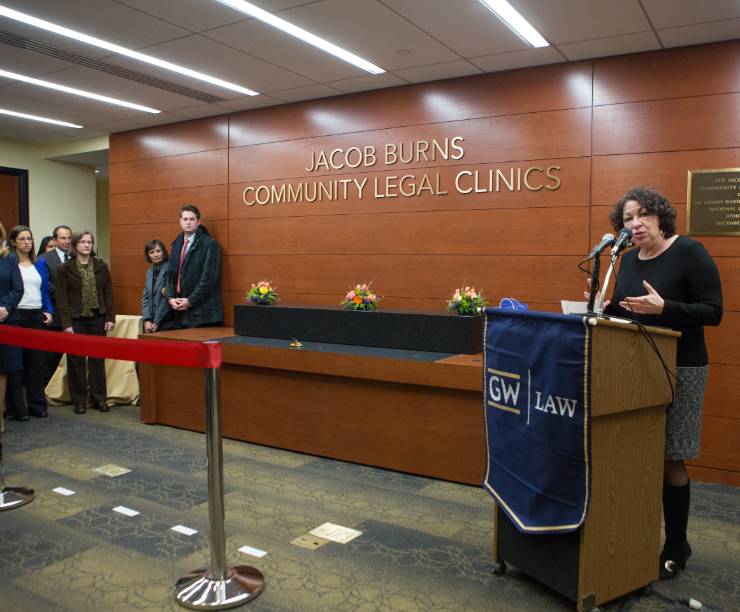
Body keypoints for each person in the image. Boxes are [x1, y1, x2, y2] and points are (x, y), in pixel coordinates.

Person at [602, 186, 723, 580]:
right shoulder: (628, 260)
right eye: (626, 220)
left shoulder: (689, 252)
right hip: (635, 368)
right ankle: (634, 537)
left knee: (671, 456)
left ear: (659, 215)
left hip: (682, 368)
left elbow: (714, 312)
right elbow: (627, 309)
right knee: (637, 452)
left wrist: (665, 307)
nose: (634, 225)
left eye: (641, 215)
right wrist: (610, 311)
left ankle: (676, 543)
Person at [55, 230, 115, 414]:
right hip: (75, 319)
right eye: (82, 242)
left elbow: (108, 293)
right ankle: (79, 400)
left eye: (89, 242)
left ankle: (99, 398)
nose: (87, 245)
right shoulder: (65, 268)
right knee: (76, 360)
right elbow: (61, 298)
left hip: (97, 317)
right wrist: (66, 324)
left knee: (97, 359)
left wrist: (110, 318)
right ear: (75, 245)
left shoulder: (101, 266)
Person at [6, 226, 53, 419]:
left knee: (36, 363)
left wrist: (49, 311)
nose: (27, 242)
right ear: (13, 242)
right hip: (15, 315)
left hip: (36, 315)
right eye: (22, 239)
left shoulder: (39, 263)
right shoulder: (8, 262)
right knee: (16, 365)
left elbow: (45, 291)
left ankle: (36, 404)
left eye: (30, 239)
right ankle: (17, 409)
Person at [164, 204, 223, 329]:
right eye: (185, 219)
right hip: (178, 311)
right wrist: (170, 298)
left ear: (198, 221)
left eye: (192, 219)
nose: (188, 222)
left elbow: (208, 280)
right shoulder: (176, 245)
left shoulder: (209, 244)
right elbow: (170, 275)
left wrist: (190, 301)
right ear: (180, 221)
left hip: (202, 313)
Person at [0, 222, 24, 430]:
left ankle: (0, 415)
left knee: (4, 370)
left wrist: (4, 308)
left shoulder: (9, 259)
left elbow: (18, 288)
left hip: (6, 320)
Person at [41, 225, 72, 382]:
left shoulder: (75, 257)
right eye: (62, 238)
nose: (67, 241)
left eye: (69, 238)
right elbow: (45, 284)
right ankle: (49, 388)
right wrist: (65, 294)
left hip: (73, 315)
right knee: (51, 357)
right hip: (55, 314)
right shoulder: (45, 258)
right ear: (54, 239)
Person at [141, 239, 170, 333]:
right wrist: (146, 320)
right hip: (151, 322)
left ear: (164, 252)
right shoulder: (150, 271)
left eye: (158, 251)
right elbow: (145, 298)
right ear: (148, 255)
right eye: (151, 252)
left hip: (167, 321)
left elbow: (168, 298)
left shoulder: (170, 268)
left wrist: (157, 322)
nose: (155, 255)